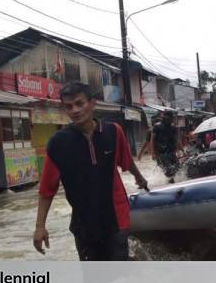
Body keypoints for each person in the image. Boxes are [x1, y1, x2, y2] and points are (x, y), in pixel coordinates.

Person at [33, 81, 148, 261]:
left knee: (120, 276)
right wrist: (40, 227)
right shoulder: (58, 144)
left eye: (80, 103)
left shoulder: (113, 132)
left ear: (92, 104)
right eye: (69, 106)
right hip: (83, 223)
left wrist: (139, 178)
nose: (75, 110)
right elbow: (47, 190)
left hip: (116, 218)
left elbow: (126, 161)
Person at [152, 110, 183, 183]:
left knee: (179, 169)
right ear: (166, 117)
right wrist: (153, 152)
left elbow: (177, 140)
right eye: (171, 117)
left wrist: (182, 150)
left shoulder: (173, 128)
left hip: (171, 153)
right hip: (161, 153)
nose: (172, 119)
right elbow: (152, 140)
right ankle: (169, 185)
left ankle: (173, 183)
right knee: (169, 171)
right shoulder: (157, 126)